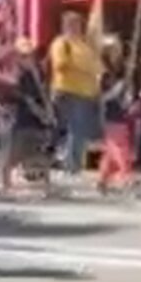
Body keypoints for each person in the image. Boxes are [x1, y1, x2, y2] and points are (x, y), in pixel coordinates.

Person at [0, 36, 55, 197]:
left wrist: (48, 112)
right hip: (20, 119)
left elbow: (44, 95)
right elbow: (28, 100)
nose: (28, 59)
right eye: (23, 56)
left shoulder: (38, 73)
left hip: (35, 120)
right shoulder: (18, 75)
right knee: (13, 153)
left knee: (40, 151)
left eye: (30, 55)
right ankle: (5, 184)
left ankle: (46, 184)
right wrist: (43, 114)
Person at [48, 11, 102, 176]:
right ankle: (71, 166)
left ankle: (74, 164)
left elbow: (97, 67)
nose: (76, 27)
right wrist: (82, 69)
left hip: (87, 94)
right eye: (72, 24)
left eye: (78, 24)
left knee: (80, 131)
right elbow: (60, 65)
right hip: (68, 91)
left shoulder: (85, 46)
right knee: (75, 129)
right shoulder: (61, 43)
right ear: (65, 26)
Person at [97, 37, 135, 194]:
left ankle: (103, 179)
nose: (117, 52)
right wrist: (117, 90)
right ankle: (126, 176)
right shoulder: (103, 73)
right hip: (110, 115)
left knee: (112, 150)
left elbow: (125, 94)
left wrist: (128, 93)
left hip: (121, 113)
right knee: (120, 147)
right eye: (114, 49)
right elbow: (102, 96)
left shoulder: (120, 71)